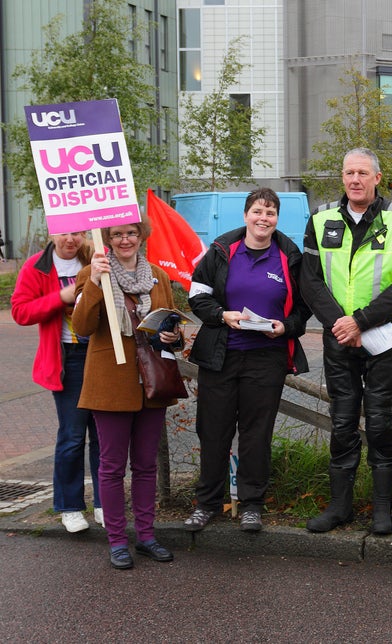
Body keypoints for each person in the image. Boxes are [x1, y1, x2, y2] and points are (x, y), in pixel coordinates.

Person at [301, 148, 392, 536]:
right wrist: (340, 324)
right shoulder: (320, 219)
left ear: (377, 177)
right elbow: (310, 280)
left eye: (362, 173)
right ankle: (341, 507)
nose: (355, 179)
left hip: (384, 338)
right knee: (341, 422)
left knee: (380, 421)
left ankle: (382, 510)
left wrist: (361, 321)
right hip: (339, 337)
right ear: (343, 177)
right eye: (348, 172)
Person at [183, 188, 310, 534]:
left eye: (270, 213)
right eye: (257, 211)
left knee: (256, 435)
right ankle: (207, 504)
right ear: (245, 215)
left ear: (277, 219)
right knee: (213, 431)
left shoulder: (290, 256)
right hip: (221, 355)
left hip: (266, 358)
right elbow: (197, 296)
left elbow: (305, 307)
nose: (263, 218)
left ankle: (252, 505)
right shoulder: (223, 250)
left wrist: (285, 327)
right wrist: (222, 315)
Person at [72, 217, 182, 570]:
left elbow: (172, 329)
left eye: (131, 233)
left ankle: (146, 536)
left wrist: (172, 337)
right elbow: (83, 327)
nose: (124, 240)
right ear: (106, 238)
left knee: (146, 465)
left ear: (141, 236)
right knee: (111, 467)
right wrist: (92, 282)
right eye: (117, 234)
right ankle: (118, 540)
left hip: (151, 383)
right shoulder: (93, 273)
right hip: (110, 382)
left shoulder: (158, 277)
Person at [12, 231, 102, 533]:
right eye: (65, 232)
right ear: (53, 230)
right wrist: (60, 298)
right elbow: (20, 312)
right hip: (69, 358)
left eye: (77, 233)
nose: (71, 239)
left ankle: (104, 504)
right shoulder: (37, 266)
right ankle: (70, 507)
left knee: (104, 435)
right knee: (73, 436)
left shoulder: (95, 257)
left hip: (101, 353)